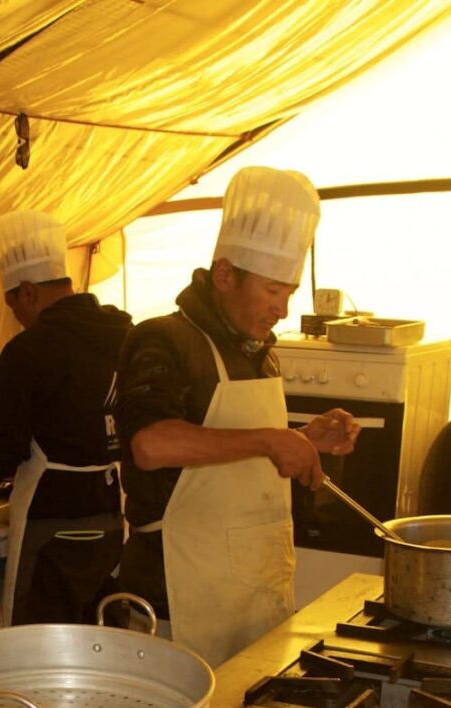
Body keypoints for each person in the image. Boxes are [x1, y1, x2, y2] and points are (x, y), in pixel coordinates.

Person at [114, 166, 360, 667]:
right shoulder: (165, 338)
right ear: (225, 275)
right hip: (177, 597)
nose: (282, 309)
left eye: (289, 292)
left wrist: (304, 439)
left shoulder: (257, 351)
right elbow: (151, 445)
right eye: (273, 291)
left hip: (250, 591)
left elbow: (225, 445)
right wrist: (272, 440)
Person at [0, 209, 132, 625]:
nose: (15, 316)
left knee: (40, 649)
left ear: (27, 291)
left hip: (51, 526)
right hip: (112, 515)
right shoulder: (123, 334)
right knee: (100, 635)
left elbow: (1, 454)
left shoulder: (28, 351)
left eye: (12, 304)